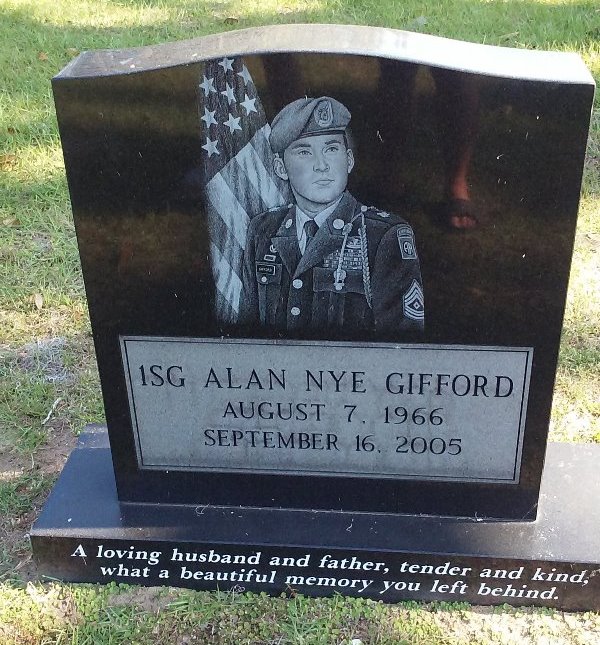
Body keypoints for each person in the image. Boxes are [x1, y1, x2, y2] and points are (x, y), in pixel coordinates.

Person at [239, 96, 424, 338]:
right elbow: (245, 332)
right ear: (280, 168)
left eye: (331, 149)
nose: (322, 165)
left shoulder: (383, 236)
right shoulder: (263, 230)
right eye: (304, 152)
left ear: (349, 160)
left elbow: (403, 344)